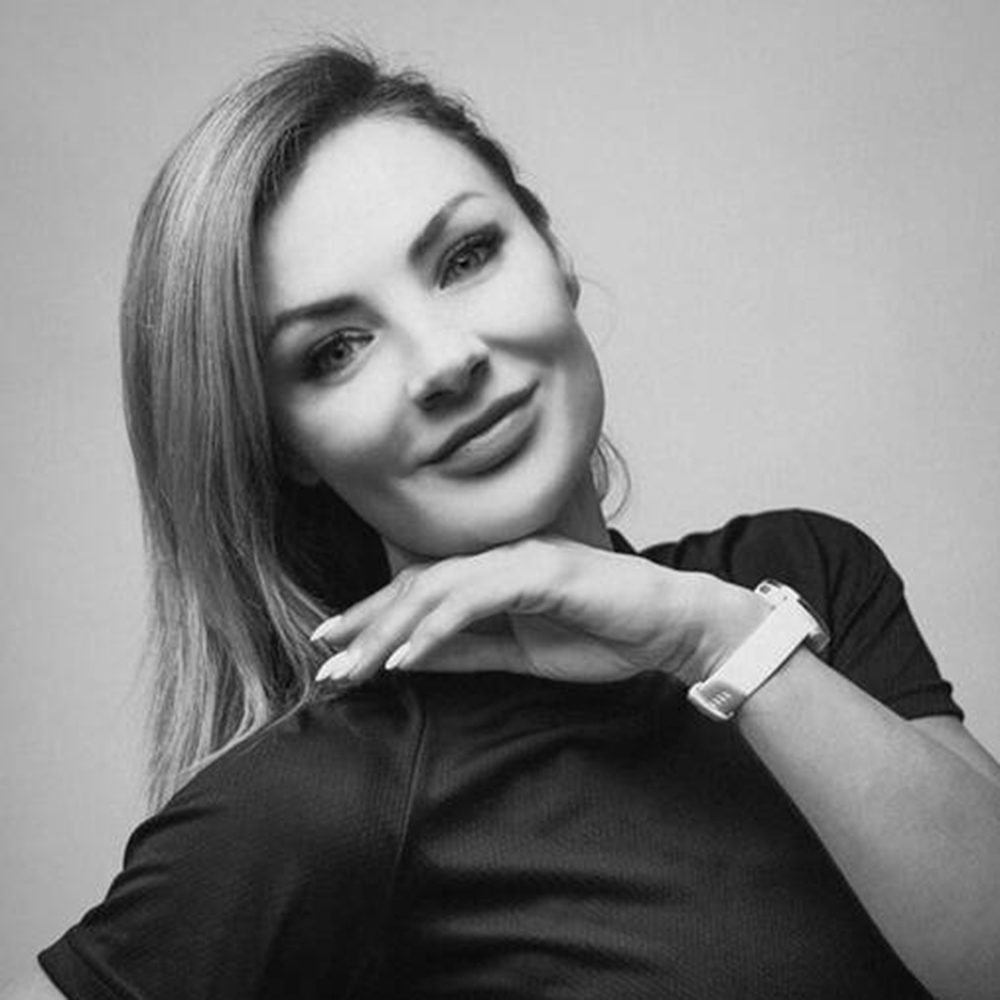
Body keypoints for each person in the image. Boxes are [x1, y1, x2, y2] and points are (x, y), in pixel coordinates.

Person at [6, 41, 1000, 1000]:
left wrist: (715, 637)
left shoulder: (797, 577)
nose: (445, 360)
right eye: (335, 349)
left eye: (466, 255)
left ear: (554, 256)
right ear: (285, 447)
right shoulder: (326, 795)